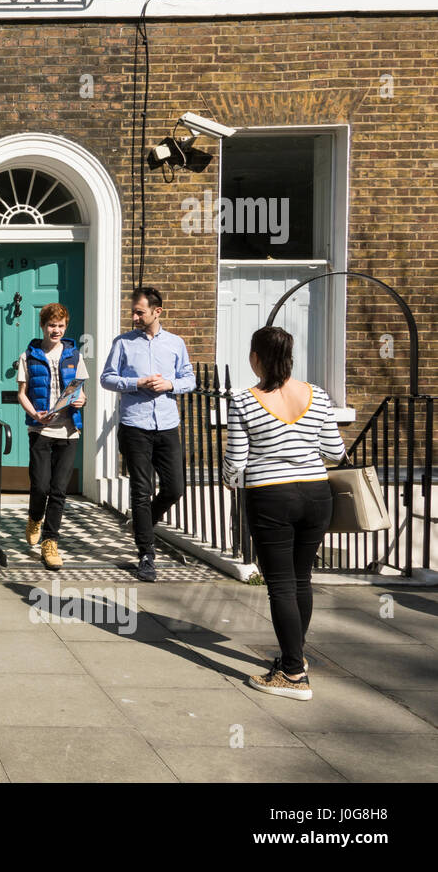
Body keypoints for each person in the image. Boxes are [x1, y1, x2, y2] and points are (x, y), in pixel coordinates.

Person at [223, 325, 346, 701]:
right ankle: (297, 658)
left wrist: (229, 479)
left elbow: (236, 460)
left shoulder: (244, 400)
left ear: (256, 357)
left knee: (279, 586)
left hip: (271, 496)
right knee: (301, 579)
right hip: (315, 493)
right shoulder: (318, 395)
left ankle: (292, 674)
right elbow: (335, 450)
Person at [99, 286, 195, 582]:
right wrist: (136, 382)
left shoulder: (176, 344)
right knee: (140, 490)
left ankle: (142, 523)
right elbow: (107, 378)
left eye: (140, 311)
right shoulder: (123, 343)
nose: (134, 316)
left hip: (167, 425)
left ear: (157, 312)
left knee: (174, 488)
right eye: (133, 311)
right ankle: (146, 554)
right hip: (134, 426)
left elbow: (189, 378)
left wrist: (170, 385)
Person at [16, 303, 88, 570]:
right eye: (51, 325)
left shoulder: (74, 355)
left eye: (60, 325)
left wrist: (82, 401)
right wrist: (35, 414)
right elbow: (21, 393)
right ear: (43, 326)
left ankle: (51, 542)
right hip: (41, 430)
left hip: (69, 431)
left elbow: (80, 391)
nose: (56, 330)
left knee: (59, 490)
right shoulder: (29, 356)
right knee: (41, 486)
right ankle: (35, 516)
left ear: (65, 326)